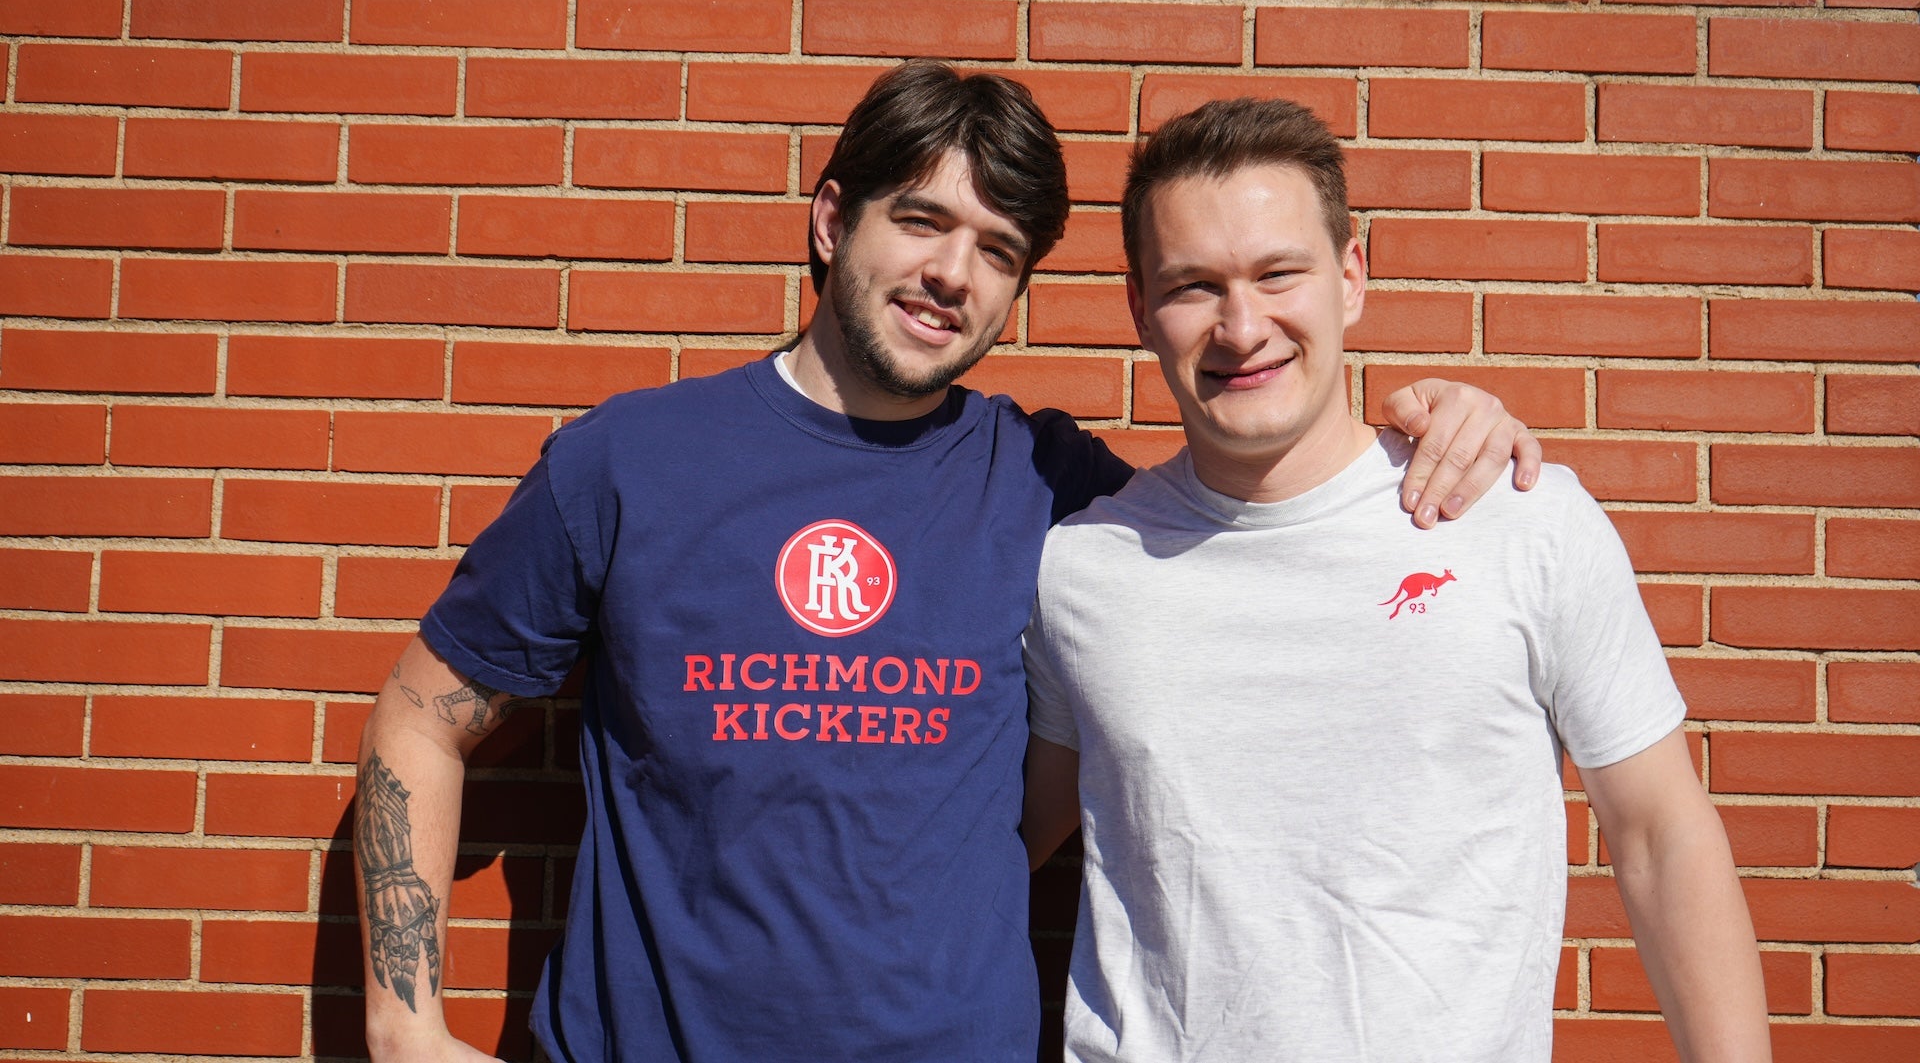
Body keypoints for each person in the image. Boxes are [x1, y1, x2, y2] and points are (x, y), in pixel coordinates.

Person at [353, 62, 1541, 1063]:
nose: (952, 276)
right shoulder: (631, 462)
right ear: (832, 221)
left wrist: (1428, 433)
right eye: (921, 220)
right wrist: (403, 1026)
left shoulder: (1050, 484)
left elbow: (1268, 509)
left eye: (999, 248)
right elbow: (420, 719)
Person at [1019, 97, 1772, 1063]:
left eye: (1278, 273)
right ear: (1139, 307)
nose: (1243, 326)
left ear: (1352, 275)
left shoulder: (1518, 517)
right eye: (1194, 285)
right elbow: (995, 835)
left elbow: (1661, 835)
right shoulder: (1081, 570)